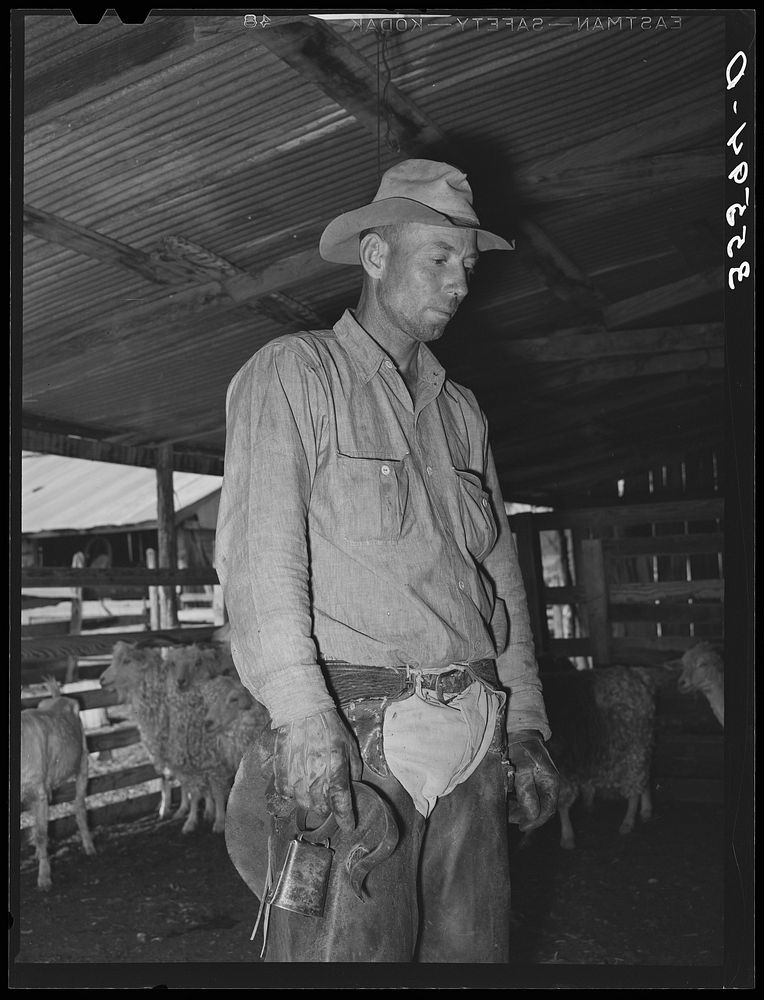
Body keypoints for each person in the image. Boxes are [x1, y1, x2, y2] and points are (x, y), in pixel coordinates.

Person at [215, 159, 559, 964]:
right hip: (359, 735)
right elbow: (259, 558)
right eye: (439, 257)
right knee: (345, 956)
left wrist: (530, 724)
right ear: (376, 255)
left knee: (471, 956)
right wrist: (304, 719)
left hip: (474, 733)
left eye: (468, 265)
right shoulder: (296, 375)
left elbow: (498, 575)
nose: (460, 282)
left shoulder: (462, 411)